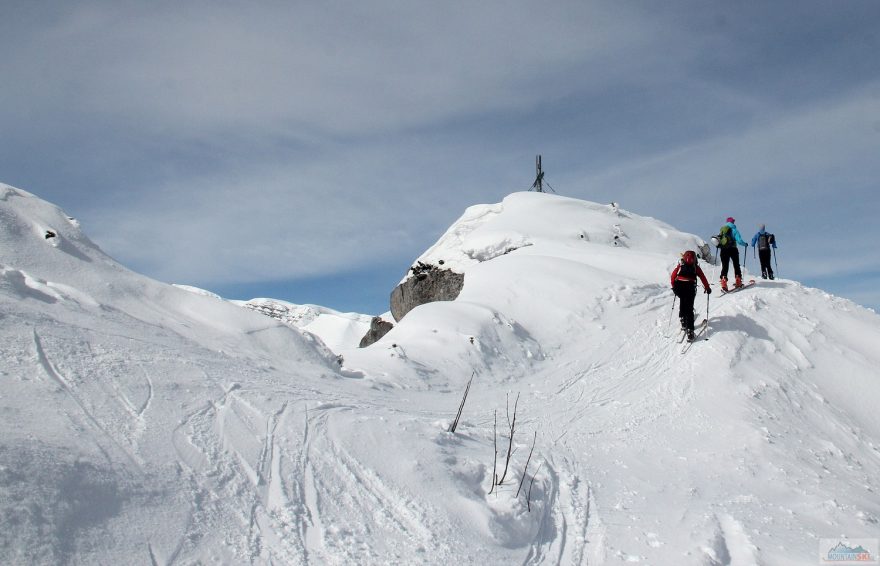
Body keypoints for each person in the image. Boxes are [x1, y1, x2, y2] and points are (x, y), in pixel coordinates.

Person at [670, 250, 712, 341]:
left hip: (679, 287)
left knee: (682, 302)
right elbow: (702, 277)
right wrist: (707, 288)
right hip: (690, 287)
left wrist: (674, 286)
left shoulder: (681, 265)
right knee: (689, 308)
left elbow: (673, 275)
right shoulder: (695, 267)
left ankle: (683, 321)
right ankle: (690, 331)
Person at [717, 217, 748, 291]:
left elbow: (719, 240)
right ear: (733, 222)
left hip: (723, 250)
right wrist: (745, 244)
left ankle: (724, 281)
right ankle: (738, 281)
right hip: (733, 249)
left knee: (725, 266)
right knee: (736, 265)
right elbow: (739, 241)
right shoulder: (735, 230)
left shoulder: (722, 230)